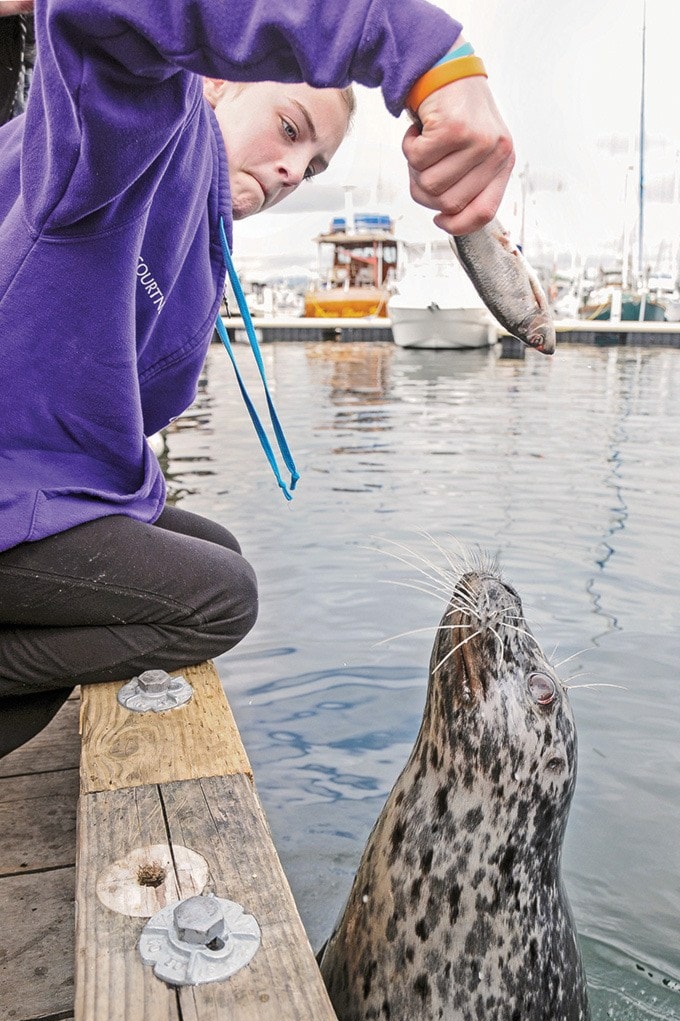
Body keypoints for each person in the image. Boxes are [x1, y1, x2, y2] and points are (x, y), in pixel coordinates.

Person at [0, 0, 514, 752]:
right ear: (216, 81)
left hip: (34, 480)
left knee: (219, 551)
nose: (290, 171)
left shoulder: (197, 236)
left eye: (311, 168)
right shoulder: (137, 129)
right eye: (290, 129)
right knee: (218, 602)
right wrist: (423, 53)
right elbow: (103, 13)